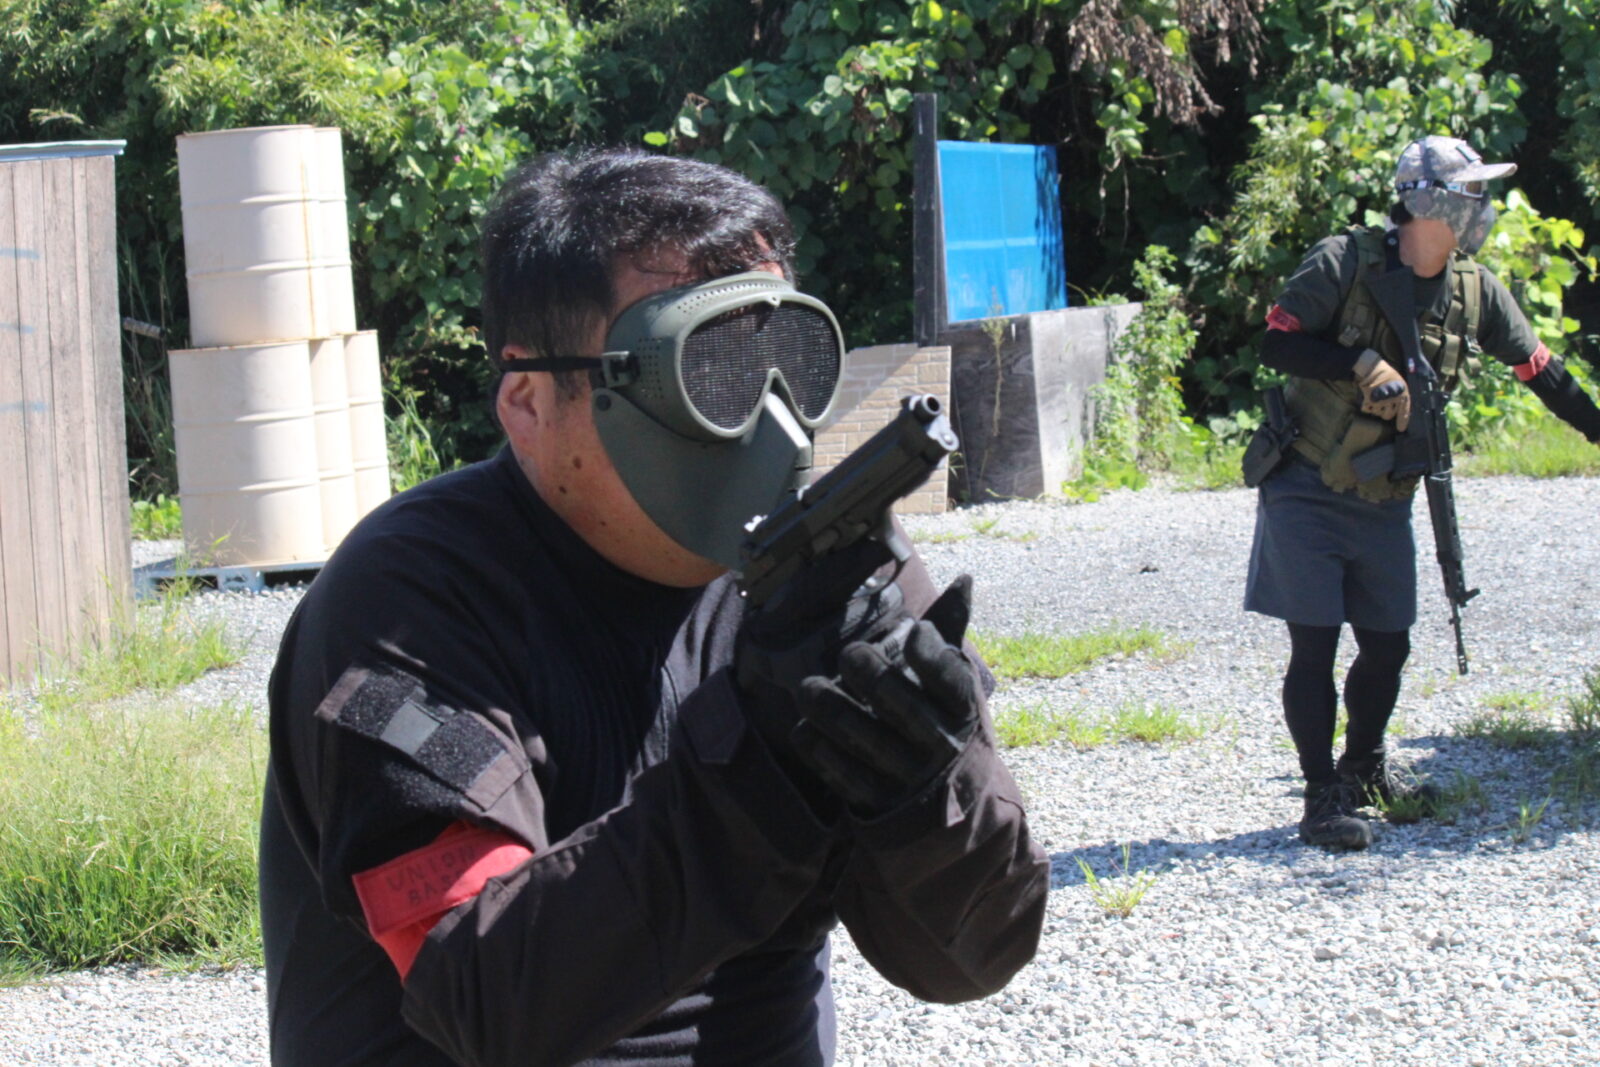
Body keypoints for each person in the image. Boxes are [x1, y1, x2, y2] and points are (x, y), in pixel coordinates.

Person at [258, 147, 1049, 1066]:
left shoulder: (830, 574)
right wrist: (761, 770)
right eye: (708, 367)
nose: (767, 417)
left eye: (786, 356)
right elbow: (487, 997)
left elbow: (971, 955)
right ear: (529, 400)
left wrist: (929, 784)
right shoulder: (408, 605)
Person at [1245, 134, 1600, 851]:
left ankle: (1363, 769)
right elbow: (1275, 343)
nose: (1484, 206)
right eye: (1473, 192)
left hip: (1386, 496)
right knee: (1314, 646)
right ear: (1430, 202)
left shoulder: (1475, 288)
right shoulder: (1342, 260)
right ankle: (1320, 797)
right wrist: (1359, 362)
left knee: (1389, 646)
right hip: (1308, 486)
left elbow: (1543, 371)